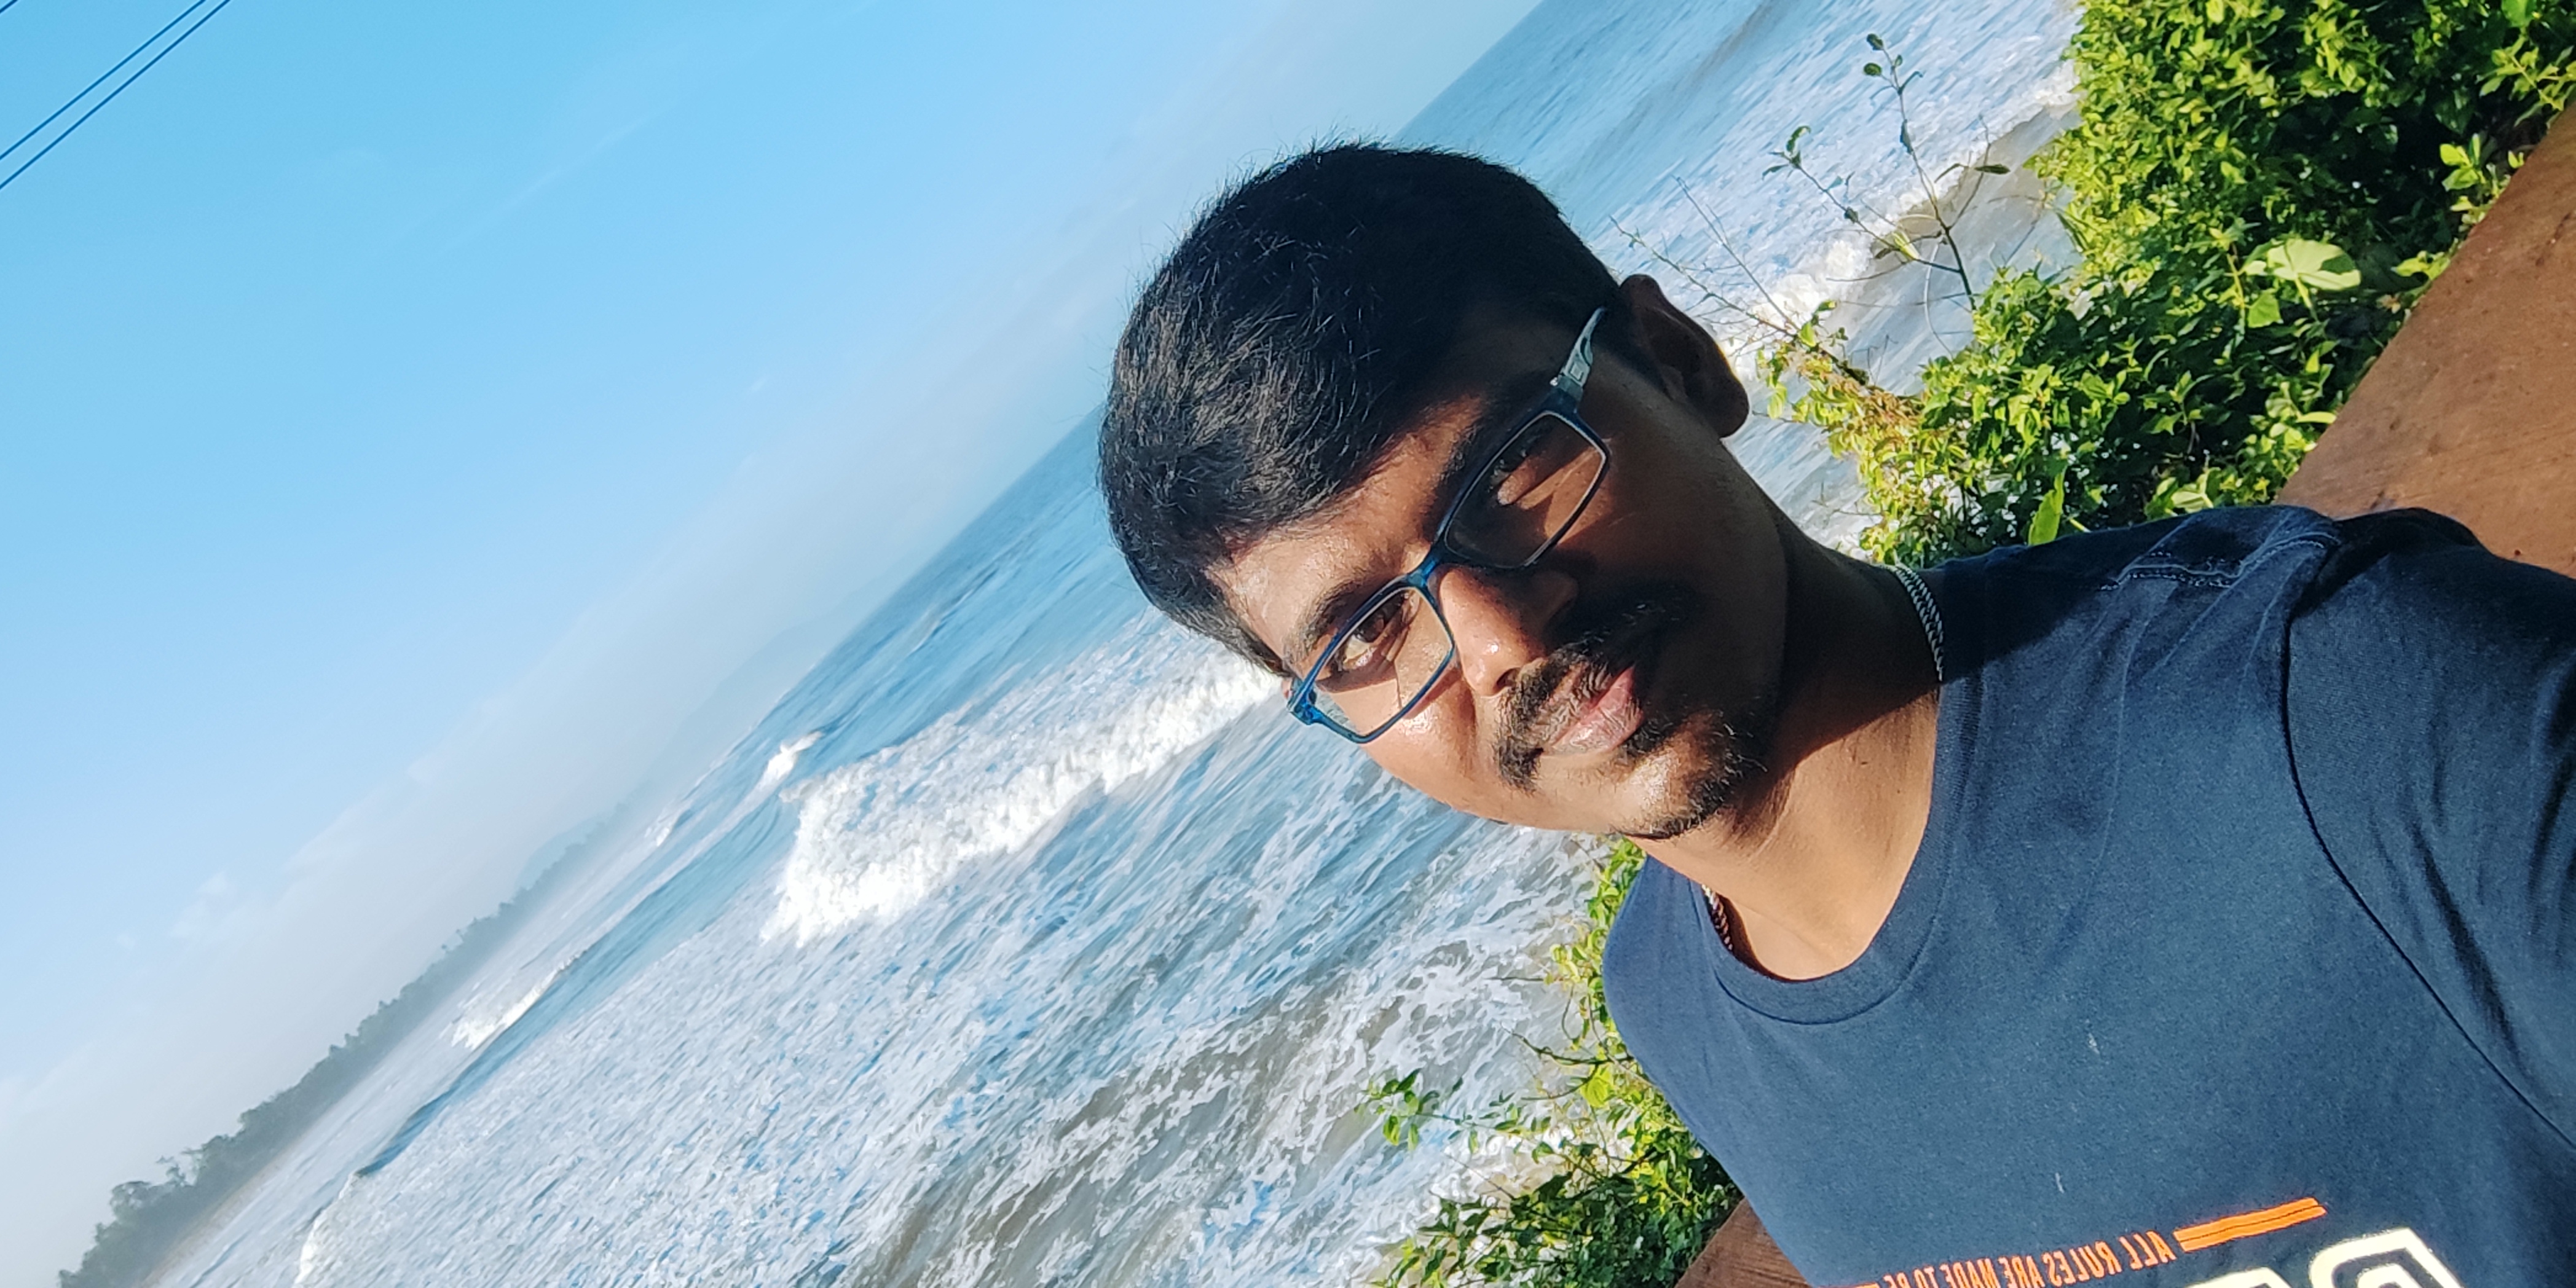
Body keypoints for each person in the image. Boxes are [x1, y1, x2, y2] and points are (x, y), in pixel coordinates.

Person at [1096, 143, 2576, 1288]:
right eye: (1368, 632)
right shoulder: (1674, 995)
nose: (1502, 635)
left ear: (1681, 363)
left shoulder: (2360, 714)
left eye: (1512, 471)